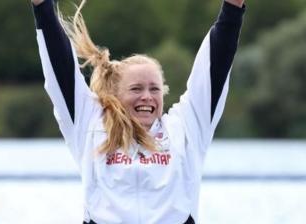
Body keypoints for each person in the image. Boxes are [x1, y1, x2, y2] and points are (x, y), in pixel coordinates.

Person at [30, 0, 245, 223]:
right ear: (116, 95)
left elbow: (214, 67)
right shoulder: (90, 124)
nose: (147, 96)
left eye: (155, 89)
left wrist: (232, 8)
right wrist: (42, 7)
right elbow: (60, 68)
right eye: (136, 89)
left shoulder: (185, 129)